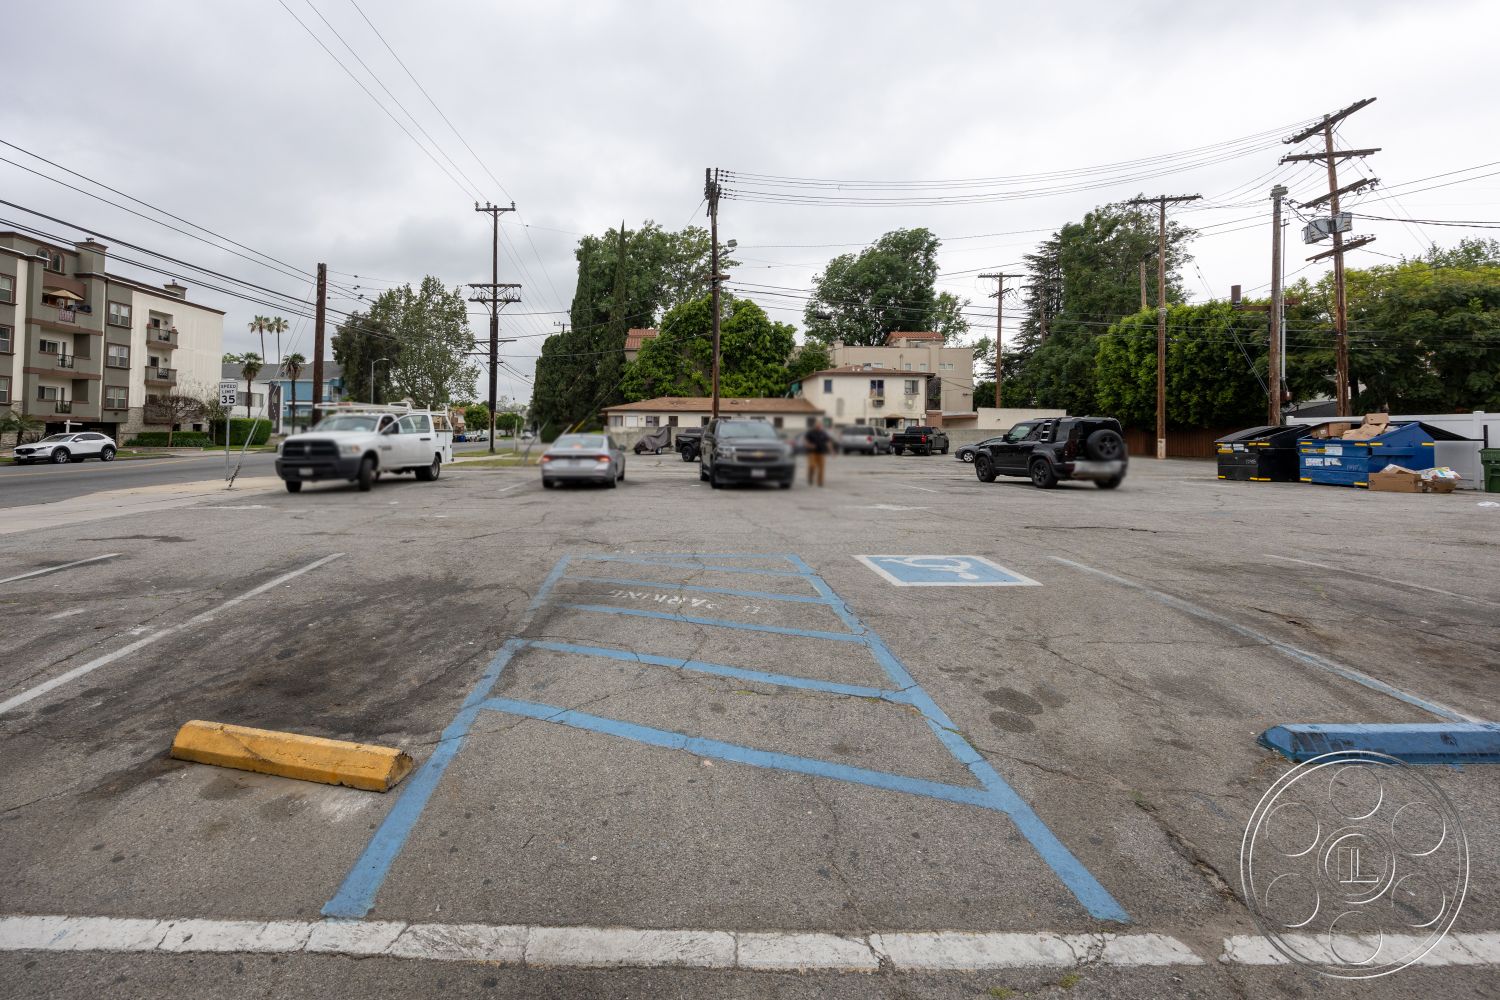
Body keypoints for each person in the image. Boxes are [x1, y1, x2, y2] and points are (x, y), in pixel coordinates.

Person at [804, 422, 832, 487]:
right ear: (815, 426)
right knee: (812, 465)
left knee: (821, 468)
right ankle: (810, 477)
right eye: (817, 426)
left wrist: (831, 450)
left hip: (821, 452)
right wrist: (809, 445)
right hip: (812, 452)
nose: (819, 427)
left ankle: (820, 482)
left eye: (820, 426)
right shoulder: (810, 432)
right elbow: (805, 441)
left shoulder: (823, 433)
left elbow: (828, 441)